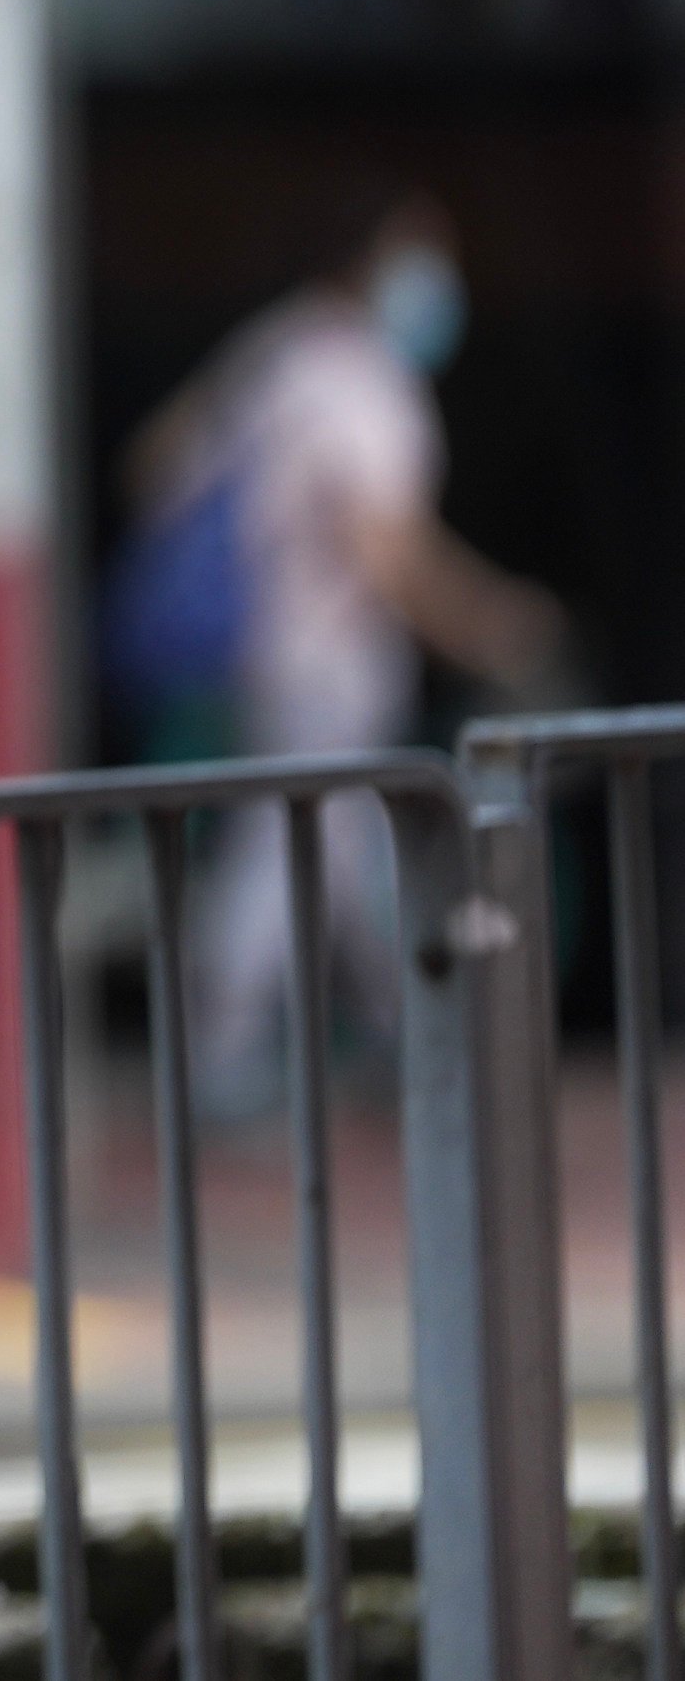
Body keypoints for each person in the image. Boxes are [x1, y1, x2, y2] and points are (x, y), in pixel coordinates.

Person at [118, 189, 563, 1099]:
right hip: (317, 657)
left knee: (350, 845)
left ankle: (408, 1032)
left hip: (276, 655)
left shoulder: (278, 351)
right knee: (295, 847)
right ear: (369, 262)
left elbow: (155, 462)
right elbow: (382, 547)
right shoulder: (348, 374)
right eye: (421, 261)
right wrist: (487, 623)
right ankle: (227, 1049)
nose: (440, 286)